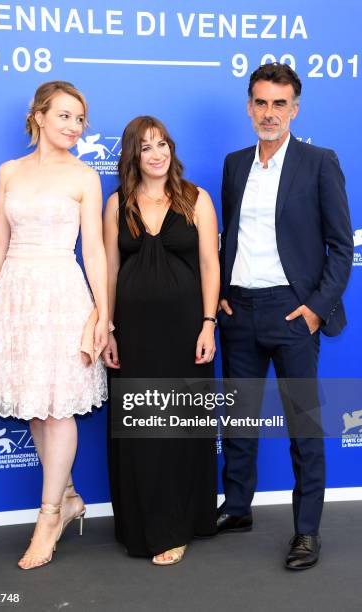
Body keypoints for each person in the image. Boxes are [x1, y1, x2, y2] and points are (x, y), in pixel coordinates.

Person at [0, 81, 108, 569]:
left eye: (80, 119)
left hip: (61, 295)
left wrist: (103, 315)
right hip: (15, 294)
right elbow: (0, 242)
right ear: (40, 117)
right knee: (34, 401)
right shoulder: (9, 172)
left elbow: (93, 251)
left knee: (59, 407)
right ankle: (67, 494)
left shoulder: (85, 177)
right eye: (65, 116)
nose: (73, 126)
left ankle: (49, 517)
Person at [217, 62, 353, 570]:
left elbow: (341, 246)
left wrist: (316, 310)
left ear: (294, 109)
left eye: (279, 104)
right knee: (238, 419)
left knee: (304, 423)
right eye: (260, 102)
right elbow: (229, 237)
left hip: (294, 312)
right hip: (240, 312)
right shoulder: (234, 165)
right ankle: (236, 509)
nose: (269, 112)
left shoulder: (319, 162)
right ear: (249, 106)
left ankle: (306, 531)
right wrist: (221, 296)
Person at [102, 116, 219, 565]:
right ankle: (139, 524)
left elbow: (210, 264)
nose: (157, 153)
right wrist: (107, 327)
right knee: (139, 432)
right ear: (133, 154)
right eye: (147, 146)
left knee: (177, 430)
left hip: (184, 332)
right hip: (132, 335)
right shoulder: (117, 204)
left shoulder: (195, 199)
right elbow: (110, 270)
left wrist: (208, 323)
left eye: (163, 144)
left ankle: (177, 526)